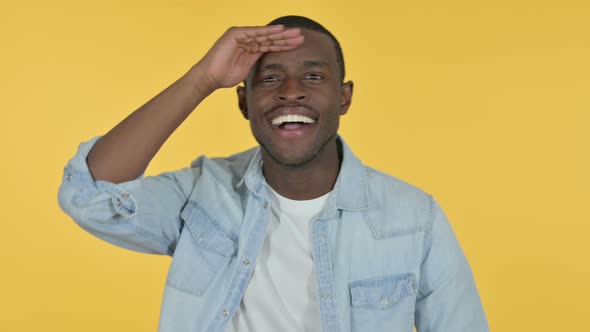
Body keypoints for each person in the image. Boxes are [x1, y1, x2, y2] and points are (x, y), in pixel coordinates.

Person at [58, 15, 489, 332]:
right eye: (269, 79)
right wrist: (202, 79)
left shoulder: (414, 217)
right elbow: (88, 196)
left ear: (344, 98)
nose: (290, 91)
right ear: (244, 103)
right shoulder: (202, 194)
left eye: (313, 76)